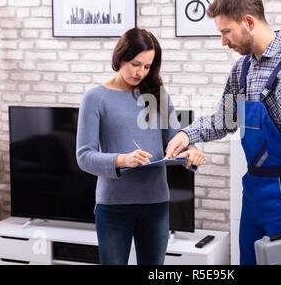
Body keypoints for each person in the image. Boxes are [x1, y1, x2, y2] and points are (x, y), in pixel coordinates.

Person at [165, 0, 281, 265]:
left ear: (249, 22)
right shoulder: (242, 69)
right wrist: (186, 133)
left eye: (226, 31)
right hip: (253, 192)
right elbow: (224, 119)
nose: (223, 41)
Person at [76, 27, 206, 265]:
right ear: (120, 57)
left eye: (147, 66)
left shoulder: (158, 95)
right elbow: (84, 156)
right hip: (113, 206)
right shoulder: (95, 98)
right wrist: (122, 160)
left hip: (155, 204)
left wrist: (193, 151)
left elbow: (176, 138)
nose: (141, 72)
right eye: (136, 64)